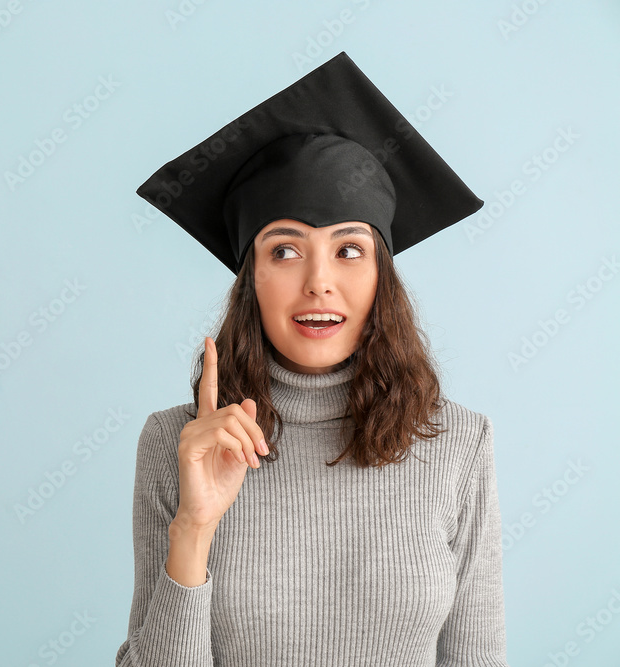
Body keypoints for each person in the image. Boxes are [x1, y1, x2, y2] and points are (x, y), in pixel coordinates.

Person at [115, 52, 508, 666]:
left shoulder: (459, 442)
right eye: (285, 251)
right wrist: (194, 528)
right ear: (251, 279)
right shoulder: (178, 444)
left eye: (349, 250)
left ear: (383, 278)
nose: (319, 282)